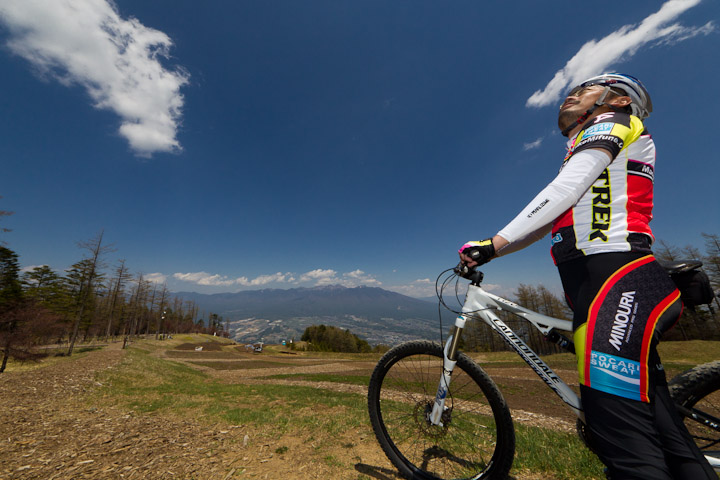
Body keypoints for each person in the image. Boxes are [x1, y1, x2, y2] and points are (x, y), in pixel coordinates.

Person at [458, 73, 715, 479]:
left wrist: (494, 242)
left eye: (584, 90)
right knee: (667, 437)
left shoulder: (613, 124)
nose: (569, 96)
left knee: (623, 441)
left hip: (618, 279)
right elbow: (549, 221)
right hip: (601, 286)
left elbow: (567, 187)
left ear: (619, 100)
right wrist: (495, 251)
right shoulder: (593, 144)